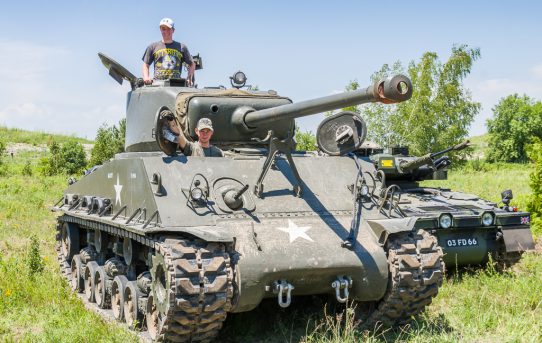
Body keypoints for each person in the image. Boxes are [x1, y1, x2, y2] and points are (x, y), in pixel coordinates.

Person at [142, 18, 196, 86]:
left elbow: (192, 64)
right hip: (158, 84)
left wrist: (189, 79)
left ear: (173, 30)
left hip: (176, 86)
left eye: (168, 29)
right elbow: (145, 65)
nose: (166, 31)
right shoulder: (152, 46)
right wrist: (146, 77)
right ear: (160, 30)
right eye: (163, 29)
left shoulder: (182, 47)